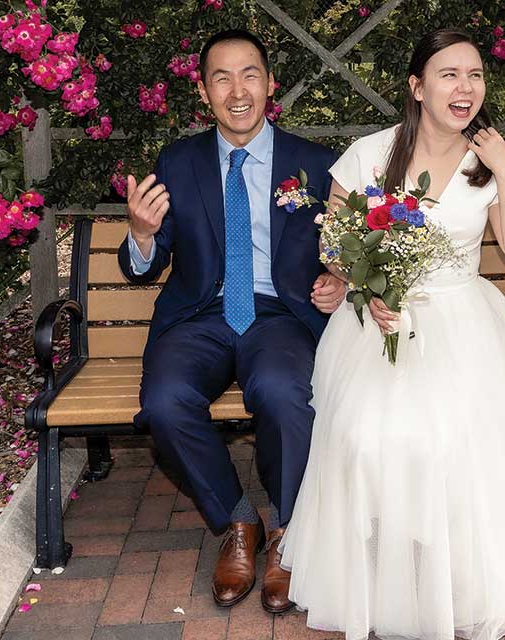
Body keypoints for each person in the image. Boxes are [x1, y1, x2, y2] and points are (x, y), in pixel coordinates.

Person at [280, 28, 505, 639]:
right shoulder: (370, 154)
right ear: (417, 87)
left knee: (464, 440)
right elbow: (334, 243)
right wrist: (360, 287)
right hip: (378, 320)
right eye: (448, 74)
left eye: (474, 75)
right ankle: (377, 566)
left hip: (466, 322)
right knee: (368, 437)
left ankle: (456, 573)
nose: (464, 87)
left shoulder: (486, 162)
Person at [117, 29, 344, 613]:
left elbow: (346, 247)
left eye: (249, 75)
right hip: (200, 315)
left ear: (270, 85)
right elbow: (149, 260)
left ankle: (287, 533)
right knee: (164, 402)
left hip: (279, 314)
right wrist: (141, 236)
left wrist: (340, 281)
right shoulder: (179, 160)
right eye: (221, 77)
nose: (237, 90)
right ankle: (238, 522)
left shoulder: (316, 164)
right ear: (204, 90)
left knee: (286, 393)